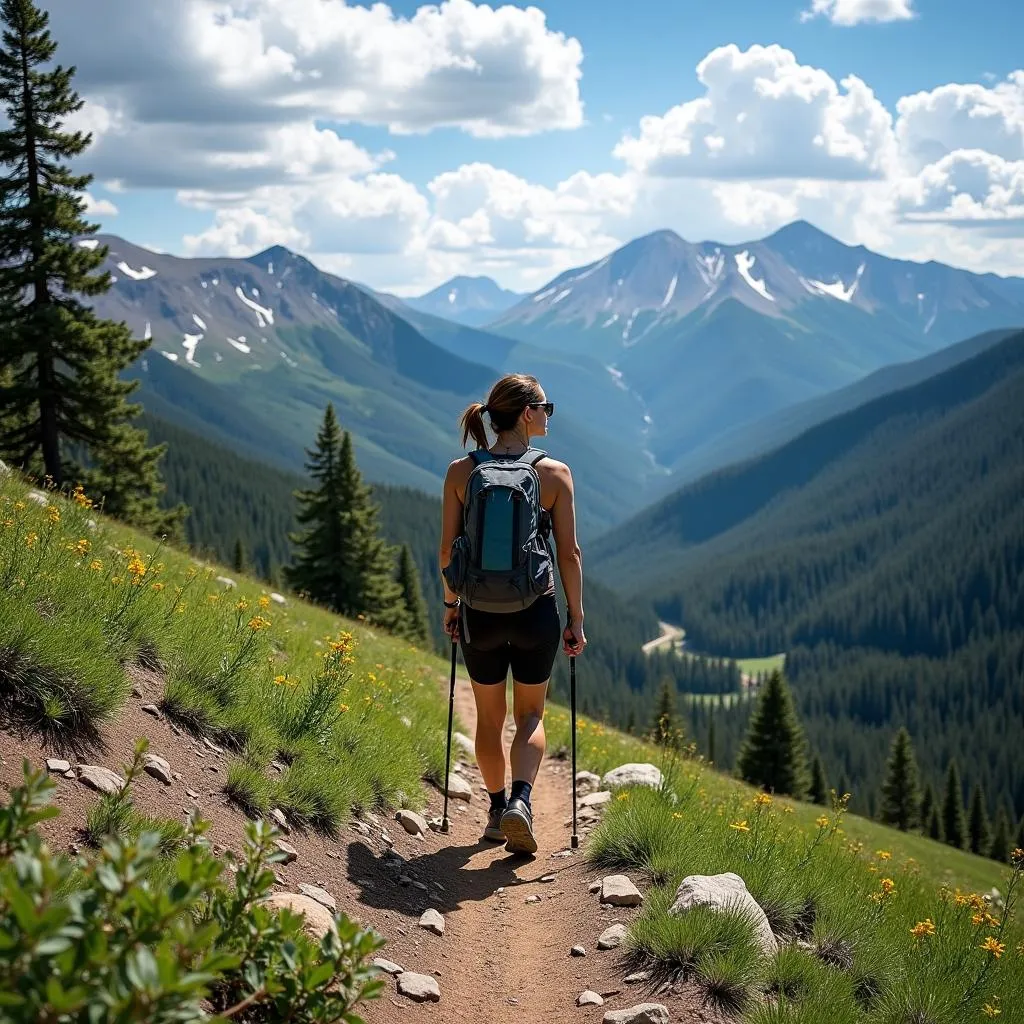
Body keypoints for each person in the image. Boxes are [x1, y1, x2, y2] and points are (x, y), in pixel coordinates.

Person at [439, 373, 586, 855]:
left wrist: (451, 604)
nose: (548, 414)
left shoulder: (461, 472)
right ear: (526, 413)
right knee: (529, 715)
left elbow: (447, 551)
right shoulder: (555, 475)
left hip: (480, 612)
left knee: (488, 718)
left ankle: (497, 810)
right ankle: (522, 802)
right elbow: (570, 555)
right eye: (545, 407)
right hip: (534, 613)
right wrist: (575, 619)